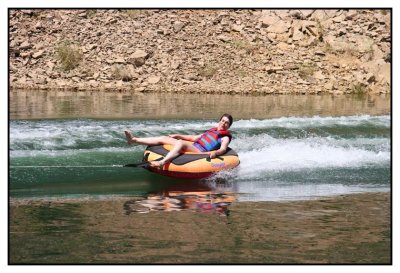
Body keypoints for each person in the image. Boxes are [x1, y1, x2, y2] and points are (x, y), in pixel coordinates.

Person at [124, 114, 233, 168]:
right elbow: (194, 138)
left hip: (201, 152)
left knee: (181, 143)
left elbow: (223, 149)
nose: (223, 123)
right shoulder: (212, 130)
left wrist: (216, 152)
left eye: (226, 123)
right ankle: (133, 140)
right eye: (222, 121)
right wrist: (177, 135)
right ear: (219, 121)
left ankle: (162, 162)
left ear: (229, 126)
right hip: (194, 146)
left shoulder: (225, 137)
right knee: (164, 138)